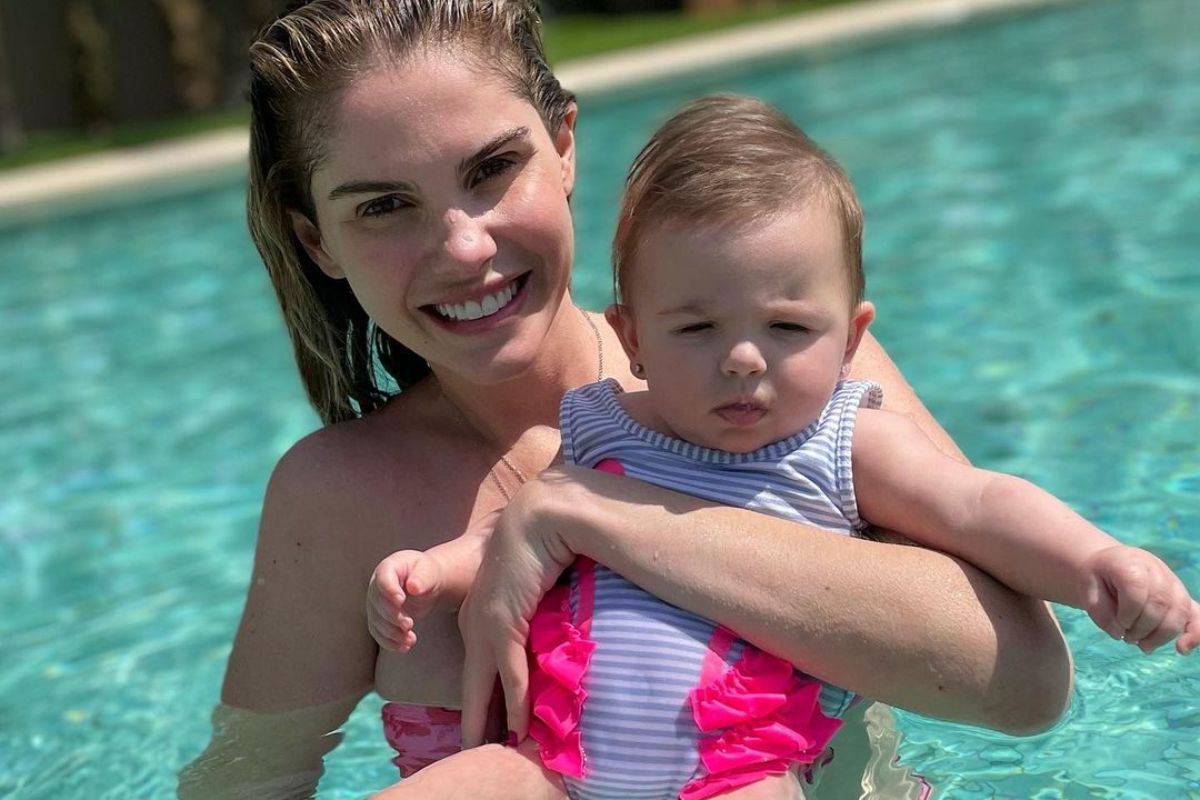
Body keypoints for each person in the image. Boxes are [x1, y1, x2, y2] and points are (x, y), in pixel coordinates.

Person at [178, 2, 1076, 798]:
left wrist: (592, 515)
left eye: (492, 168)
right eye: (383, 206)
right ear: (318, 241)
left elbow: (1025, 684)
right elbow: (243, 785)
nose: (461, 245)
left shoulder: (774, 364)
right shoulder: (339, 502)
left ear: (564, 148)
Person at [364, 94, 1199, 800]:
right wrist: (433, 573)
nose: (742, 357)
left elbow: (976, 506)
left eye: (789, 327)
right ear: (633, 337)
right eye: (695, 326)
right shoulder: (598, 424)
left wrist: (1096, 564)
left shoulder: (844, 443)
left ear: (850, 339)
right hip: (551, 759)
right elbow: (513, 543)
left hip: (739, 769)